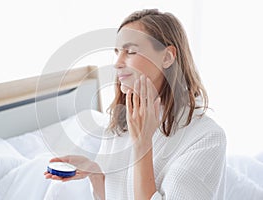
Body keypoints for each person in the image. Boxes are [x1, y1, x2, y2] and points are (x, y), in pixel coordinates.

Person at [44, 9, 226, 200]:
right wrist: (96, 174)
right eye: (117, 52)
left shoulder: (207, 138)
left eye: (130, 52)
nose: (117, 63)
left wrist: (143, 144)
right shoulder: (121, 122)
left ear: (167, 57)